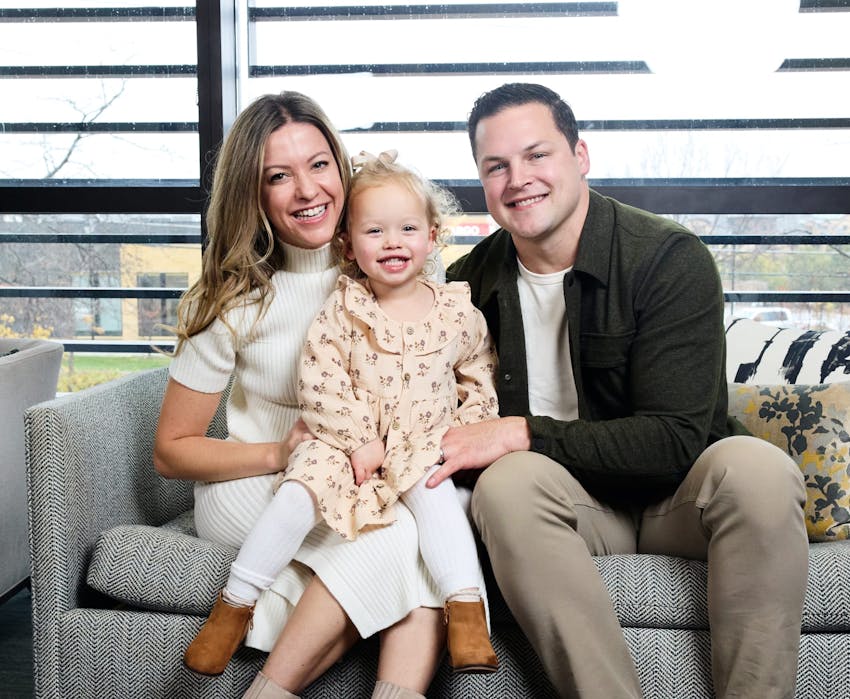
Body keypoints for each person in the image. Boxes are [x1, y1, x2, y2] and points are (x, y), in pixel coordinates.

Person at [427, 82, 809, 699]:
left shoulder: (667, 258)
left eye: (536, 155)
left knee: (758, 469)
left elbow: (675, 441)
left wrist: (522, 431)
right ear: (480, 179)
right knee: (504, 483)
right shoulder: (465, 285)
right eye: (496, 166)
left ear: (580, 156)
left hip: (674, 501)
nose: (518, 179)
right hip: (566, 510)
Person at [154, 91, 456, 699]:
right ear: (255, 193)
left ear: (341, 170)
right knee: (401, 540)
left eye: (319, 165)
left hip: (367, 478)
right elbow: (172, 451)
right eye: (278, 176)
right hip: (259, 487)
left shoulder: (399, 271)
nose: (307, 190)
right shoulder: (234, 298)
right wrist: (279, 452)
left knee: (416, 545)